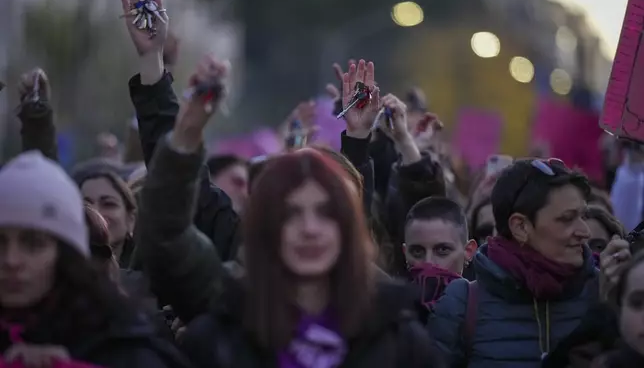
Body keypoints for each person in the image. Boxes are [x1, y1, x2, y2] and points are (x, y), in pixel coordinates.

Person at [135, 52, 443, 367]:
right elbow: (165, 236)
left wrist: (362, 139)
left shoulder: (396, 337)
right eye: (291, 214)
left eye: (326, 213)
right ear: (264, 223)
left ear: (350, 225)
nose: (310, 228)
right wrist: (186, 133)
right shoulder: (227, 320)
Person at [0, 151, 189, 367]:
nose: (11, 260)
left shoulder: (125, 347)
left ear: (66, 254)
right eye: (0, 243)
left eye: (33, 244)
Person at [428, 158, 599, 367]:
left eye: (583, 216)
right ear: (521, 227)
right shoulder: (462, 305)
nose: (585, 232)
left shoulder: (602, 292)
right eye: (566, 219)